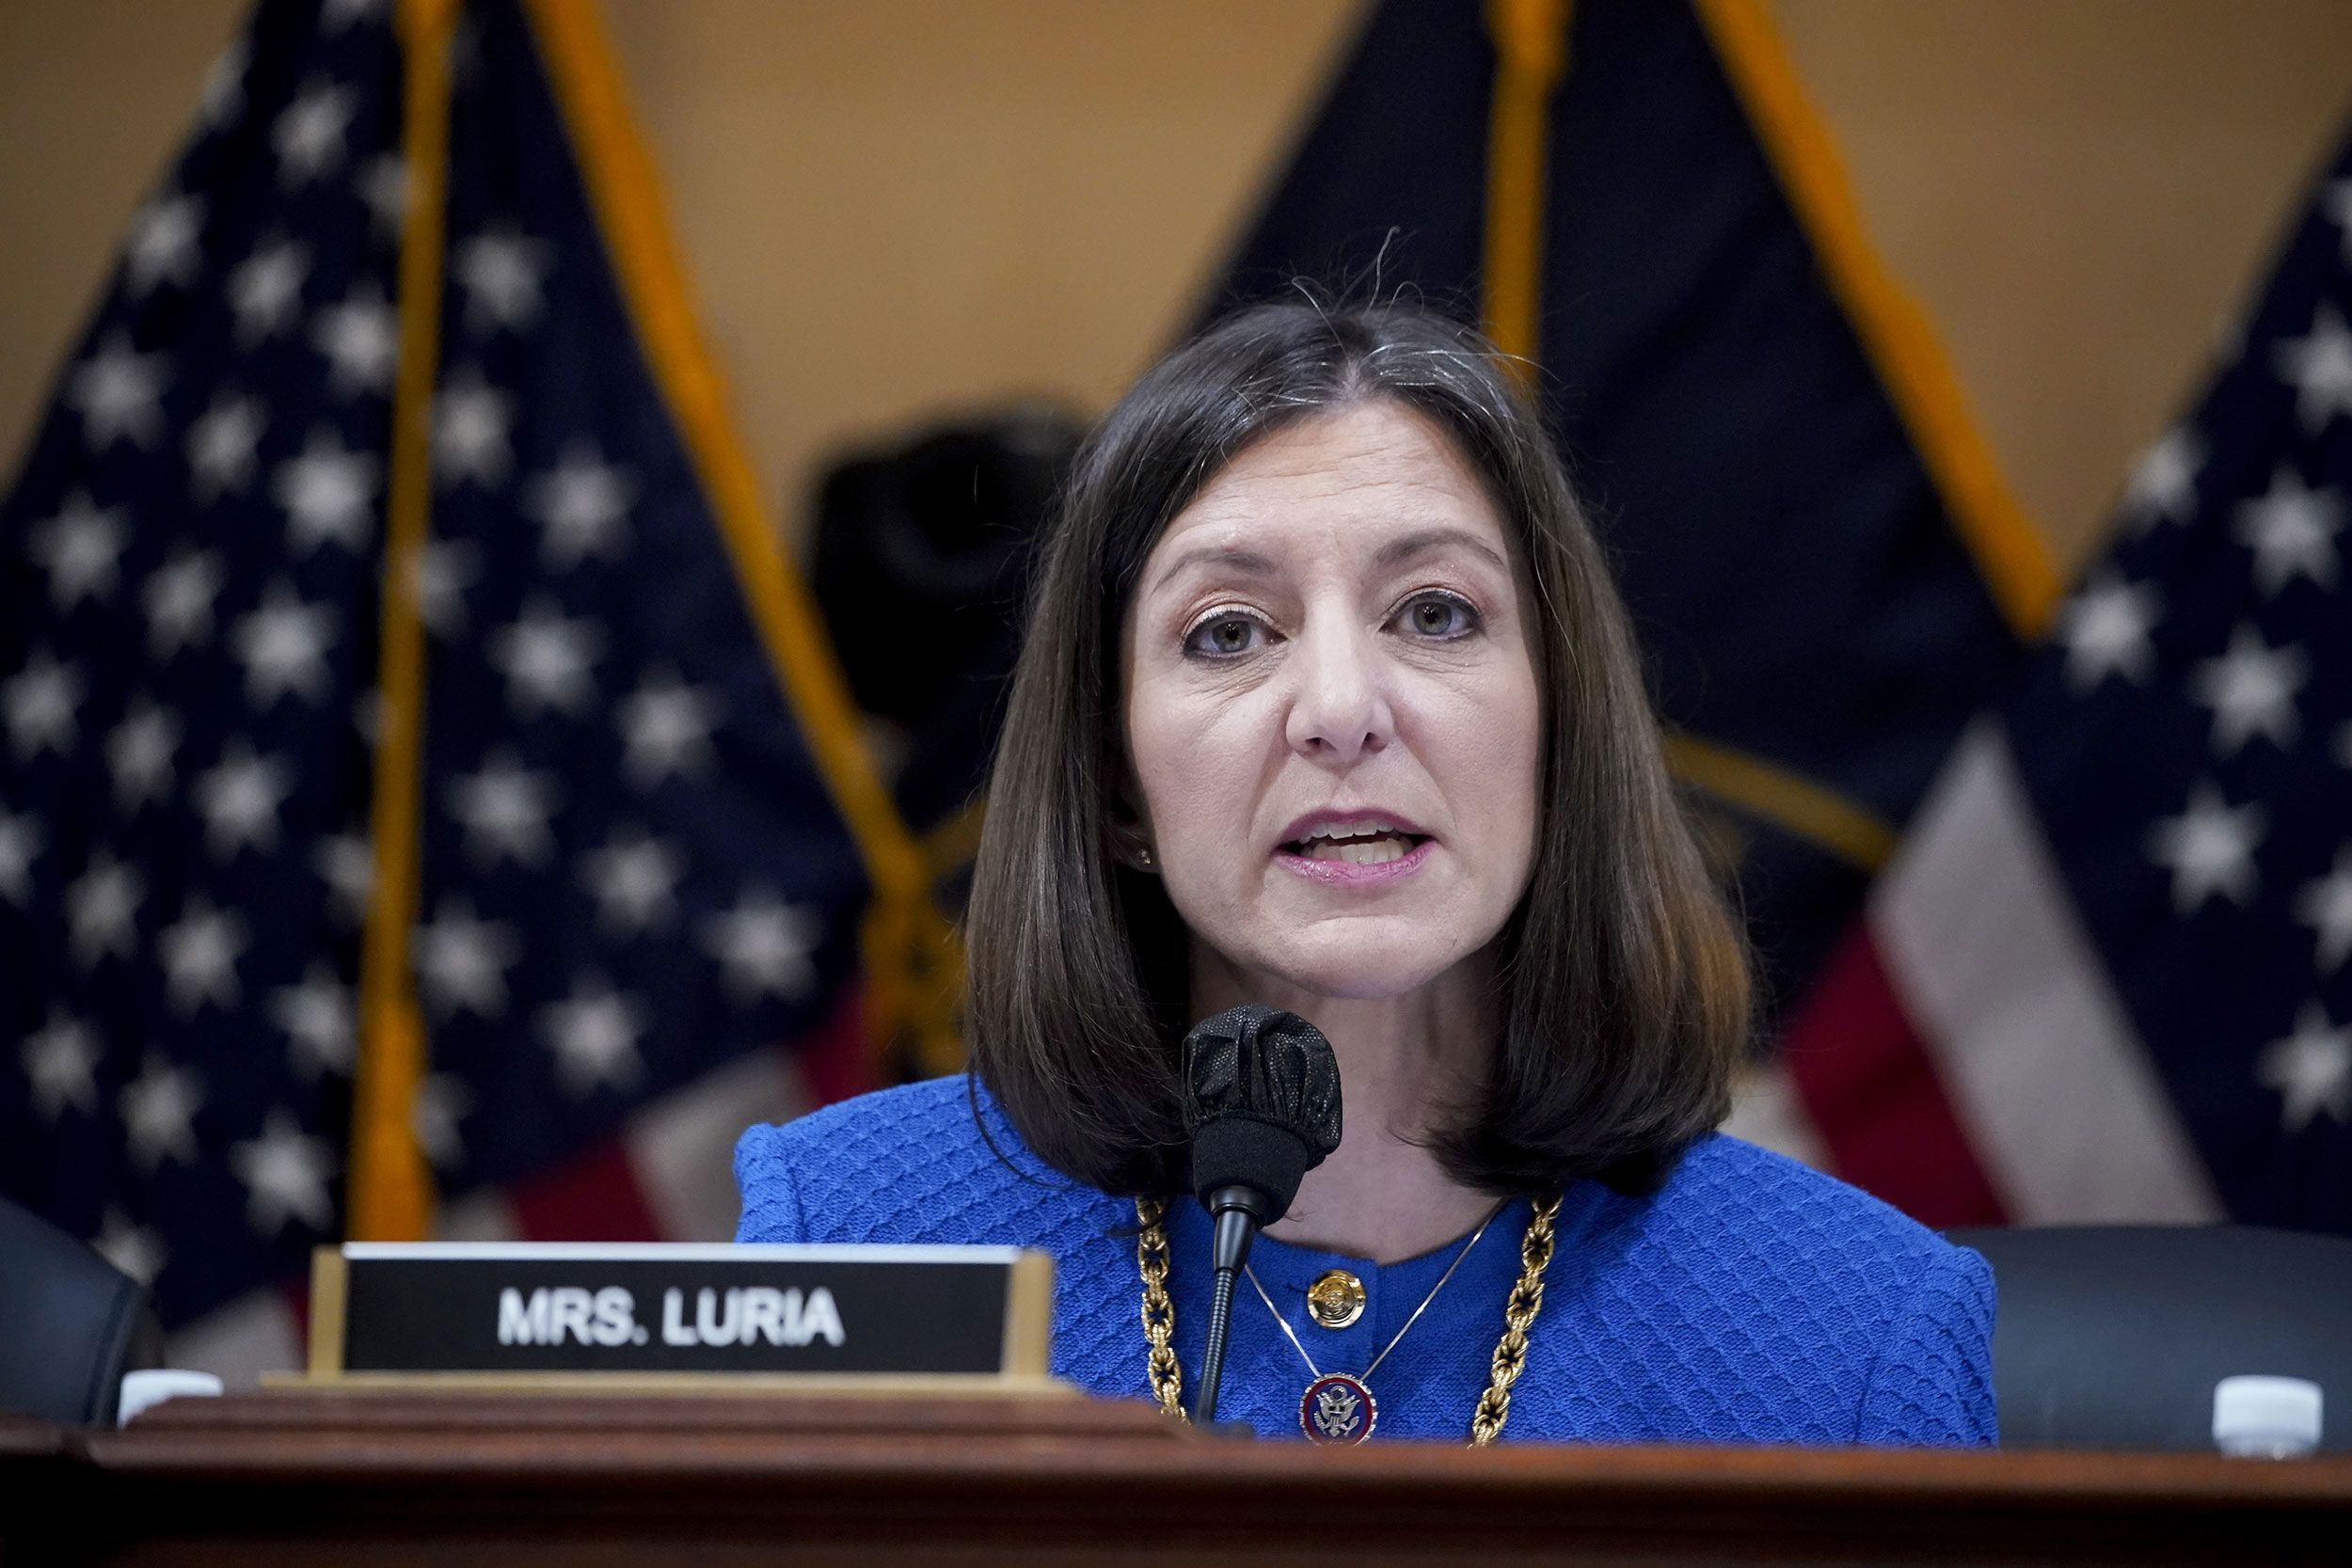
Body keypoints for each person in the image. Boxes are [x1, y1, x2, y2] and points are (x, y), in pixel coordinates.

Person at [735, 299, 1995, 1447]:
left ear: (1559, 738)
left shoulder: (1860, 1331)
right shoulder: (848, 1237)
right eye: (1228, 632)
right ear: (1116, 784)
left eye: (1434, 613)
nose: (1340, 709)